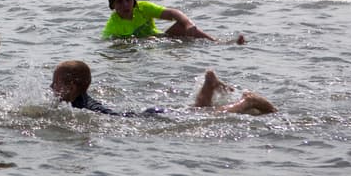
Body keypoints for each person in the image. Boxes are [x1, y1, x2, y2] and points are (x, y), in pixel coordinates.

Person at [50, 60, 276, 116]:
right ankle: (209, 86)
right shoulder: (76, 101)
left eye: (56, 82)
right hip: (146, 114)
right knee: (197, 113)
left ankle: (247, 101)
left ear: (72, 86)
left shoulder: (80, 106)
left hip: (147, 119)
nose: (51, 86)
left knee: (211, 117)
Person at [103, 0, 245, 43]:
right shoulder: (113, 25)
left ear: (134, 0)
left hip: (162, 39)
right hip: (143, 51)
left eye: (128, 0)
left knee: (184, 26)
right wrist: (144, 41)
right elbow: (116, 45)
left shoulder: (143, 8)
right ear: (112, 5)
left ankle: (219, 43)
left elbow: (173, 13)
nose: (126, 5)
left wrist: (188, 24)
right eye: (120, 2)